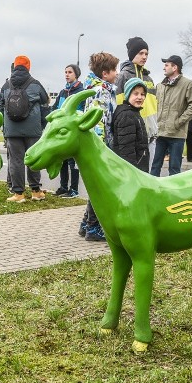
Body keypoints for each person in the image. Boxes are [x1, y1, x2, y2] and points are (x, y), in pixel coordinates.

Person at [78, 52, 120, 241]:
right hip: (98, 146)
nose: (117, 74)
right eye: (114, 70)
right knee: (100, 188)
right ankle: (93, 228)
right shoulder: (101, 91)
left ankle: (86, 223)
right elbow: (99, 122)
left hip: (96, 145)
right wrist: (101, 150)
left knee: (96, 187)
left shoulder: (98, 88)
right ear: (105, 73)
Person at [0, 54, 51, 203]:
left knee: (16, 161)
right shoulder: (35, 84)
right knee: (33, 159)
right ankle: (35, 191)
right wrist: (42, 125)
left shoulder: (6, 85)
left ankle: (18, 194)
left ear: (14, 66)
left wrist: (5, 126)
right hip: (32, 130)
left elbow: (0, 106)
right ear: (28, 67)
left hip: (12, 130)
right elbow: (45, 102)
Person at [149, 55, 192, 177]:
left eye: (166, 65)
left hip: (177, 134)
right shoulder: (159, 86)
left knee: (174, 169)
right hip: (160, 133)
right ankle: (152, 192)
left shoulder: (188, 84)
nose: (164, 68)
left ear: (175, 67)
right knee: (155, 166)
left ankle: (173, 194)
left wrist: (179, 122)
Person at [115, 37, 158, 163]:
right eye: (141, 53)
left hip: (150, 135)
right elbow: (120, 105)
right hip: (132, 134)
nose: (144, 57)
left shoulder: (149, 79)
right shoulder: (123, 76)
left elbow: (154, 106)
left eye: (146, 54)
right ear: (132, 54)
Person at [53, 64, 85, 198]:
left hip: (73, 131)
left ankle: (74, 189)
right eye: (65, 72)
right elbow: (55, 108)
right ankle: (63, 187)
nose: (67, 74)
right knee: (63, 161)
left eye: (70, 72)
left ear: (76, 74)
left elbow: (81, 110)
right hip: (61, 131)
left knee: (73, 162)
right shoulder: (62, 92)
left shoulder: (80, 91)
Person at [111, 78, 150, 171]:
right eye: (135, 94)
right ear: (128, 95)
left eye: (142, 94)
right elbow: (126, 150)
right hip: (133, 170)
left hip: (138, 166)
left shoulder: (133, 112)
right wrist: (132, 171)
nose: (140, 97)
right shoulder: (127, 115)